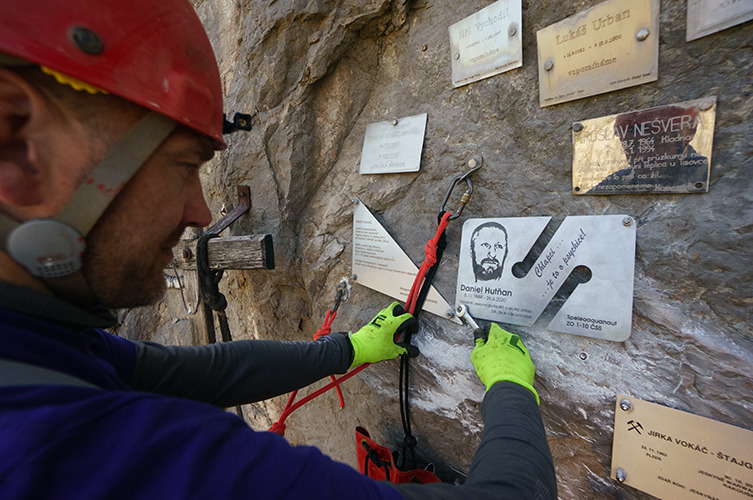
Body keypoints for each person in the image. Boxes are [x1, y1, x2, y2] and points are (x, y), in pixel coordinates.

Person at [0, 1, 557, 498]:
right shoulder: (109, 457)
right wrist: (510, 387)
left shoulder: (36, 346)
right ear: (17, 144)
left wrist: (350, 350)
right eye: (183, 166)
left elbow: (196, 373)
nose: (200, 213)